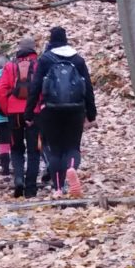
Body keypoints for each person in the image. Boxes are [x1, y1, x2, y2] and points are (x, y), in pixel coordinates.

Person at [26, 26, 96, 197]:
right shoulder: (78, 60)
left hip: (50, 110)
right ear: (66, 39)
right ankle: (71, 167)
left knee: (55, 150)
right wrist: (91, 113)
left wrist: (28, 113)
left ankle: (58, 188)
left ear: (51, 41)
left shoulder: (45, 60)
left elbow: (35, 88)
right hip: (76, 109)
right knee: (72, 146)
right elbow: (87, 87)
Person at [0, 38, 41, 198]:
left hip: (14, 113)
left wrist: (8, 110)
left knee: (16, 148)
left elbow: (0, 91)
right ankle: (31, 188)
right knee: (34, 151)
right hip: (34, 113)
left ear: (19, 50)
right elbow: (44, 89)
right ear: (34, 49)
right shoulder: (39, 65)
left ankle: (19, 179)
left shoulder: (10, 66)